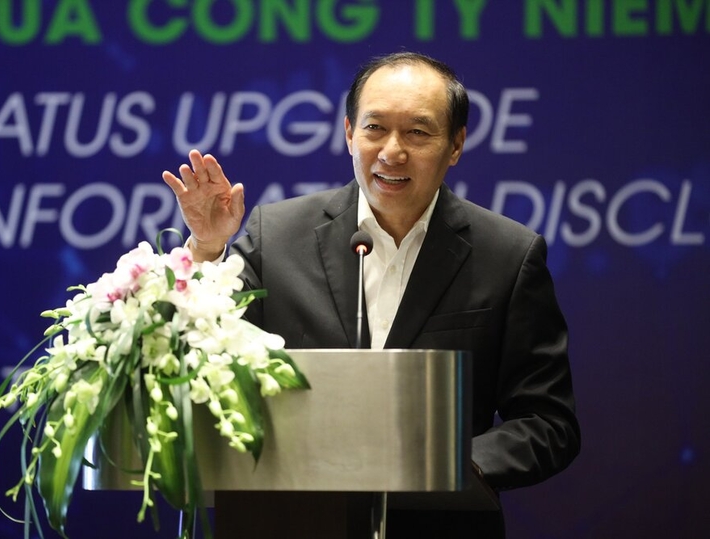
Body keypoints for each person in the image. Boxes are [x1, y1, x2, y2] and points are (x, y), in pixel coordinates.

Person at [162, 51, 580, 538]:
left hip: (439, 525)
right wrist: (209, 248)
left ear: (456, 144)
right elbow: (204, 357)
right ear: (348, 133)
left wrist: (451, 466)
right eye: (375, 129)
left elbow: (549, 422)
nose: (392, 151)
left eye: (418, 132)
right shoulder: (277, 234)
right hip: (286, 520)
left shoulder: (507, 254)